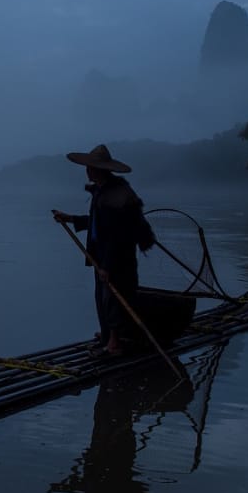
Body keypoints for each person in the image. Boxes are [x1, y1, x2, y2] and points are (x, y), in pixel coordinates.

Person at [52, 144, 154, 356]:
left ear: (101, 170)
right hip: (102, 255)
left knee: (115, 298)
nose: (87, 171)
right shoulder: (102, 191)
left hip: (117, 257)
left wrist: (107, 266)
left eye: (91, 167)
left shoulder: (116, 194)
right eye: (88, 167)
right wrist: (70, 218)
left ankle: (115, 343)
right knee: (102, 297)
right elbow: (98, 222)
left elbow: (116, 235)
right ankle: (108, 335)